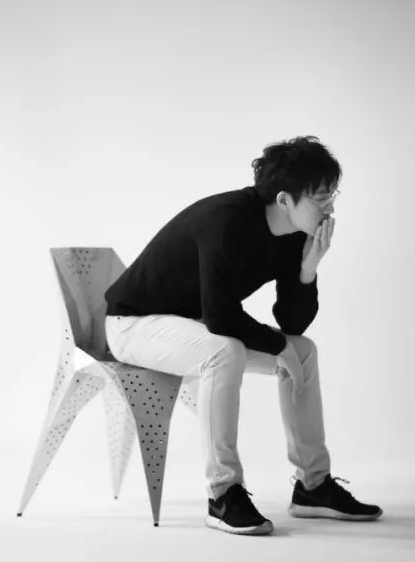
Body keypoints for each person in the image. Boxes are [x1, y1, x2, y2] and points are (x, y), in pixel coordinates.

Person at [104, 135, 381, 535]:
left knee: (303, 352)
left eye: (332, 197)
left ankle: (313, 486)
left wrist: (308, 270)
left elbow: (293, 325)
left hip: (191, 326)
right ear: (285, 199)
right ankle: (223, 494)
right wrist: (278, 345)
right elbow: (221, 317)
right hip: (133, 324)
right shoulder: (226, 219)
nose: (330, 209)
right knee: (226, 350)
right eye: (321, 199)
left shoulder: (295, 236)